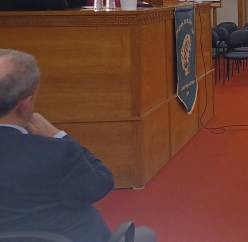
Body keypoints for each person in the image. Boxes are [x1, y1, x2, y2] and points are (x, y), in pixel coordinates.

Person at [0, 49, 158, 241]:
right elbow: (100, 183)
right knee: (144, 235)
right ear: (25, 105)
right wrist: (58, 136)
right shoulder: (57, 152)